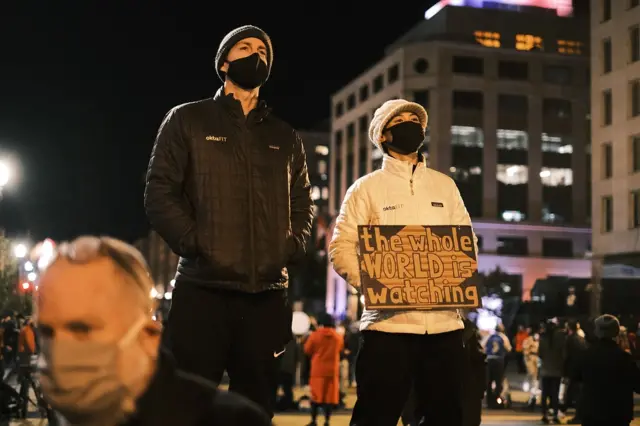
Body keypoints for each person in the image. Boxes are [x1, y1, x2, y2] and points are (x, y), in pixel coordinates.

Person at [144, 24, 314, 417]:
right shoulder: (187, 119)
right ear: (224, 63)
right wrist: (196, 243)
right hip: (203, 290)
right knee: (184, 406)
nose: (256, 55)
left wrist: (289, 246)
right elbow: (159, 192)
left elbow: (303, 202)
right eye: (245, 47)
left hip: (266, 295)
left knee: (255, 409)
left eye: (263, 51)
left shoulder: (285, 136)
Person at [330, 99, 477, 426]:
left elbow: (467, 242)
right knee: (374, 415)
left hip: (444, 329)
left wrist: (459, 277)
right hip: (387, 328)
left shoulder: (445, 185)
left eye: (417, 120)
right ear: (383, 135)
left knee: (447, 417)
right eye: (403, 120)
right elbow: (341, 248)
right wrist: (374, 287)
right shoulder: (365, 189)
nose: (412, 124)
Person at [34, 236, 271, 426]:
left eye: (82, 328)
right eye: (46, 331)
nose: (58, 349)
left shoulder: (231, 421)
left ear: (147, 335)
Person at [571, 314, 640, 426]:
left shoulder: (586, 355)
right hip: (618, 413)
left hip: (592, 412)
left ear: (597, 331)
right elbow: (637, 384)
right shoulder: (624, 358)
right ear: (616, 332)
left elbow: (575, 376)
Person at [304, 313, 343, 426]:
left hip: (318, 370)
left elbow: (307, 350)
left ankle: (314, 421)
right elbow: (340, 349)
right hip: (332, 371)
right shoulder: (337, 337)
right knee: (329, 398)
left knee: (316, 397)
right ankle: (327, 421)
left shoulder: (315, 335)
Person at [538, 319, 565, 425]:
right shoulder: (560, 338)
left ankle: (544, 415)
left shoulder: (543, 338)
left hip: (545, 370)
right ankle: (554, 415)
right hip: (557, 370)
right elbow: (563, 353)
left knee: (545, 394)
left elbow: (540, 353)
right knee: (555, 394)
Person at [483, 323, 512, 408]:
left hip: (489, 360)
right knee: (498, 381)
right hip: (499, 360)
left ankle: (489, 402)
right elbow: (509, 348)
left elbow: (482, 346)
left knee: (489, 381)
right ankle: (497, 400)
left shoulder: (489, 336)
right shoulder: (503, 337)